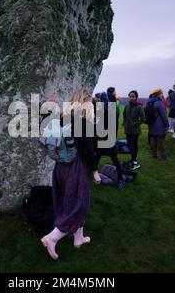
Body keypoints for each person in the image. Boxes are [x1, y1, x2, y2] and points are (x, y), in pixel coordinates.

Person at [41, 89, 101, 261]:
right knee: (78, 205)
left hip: (60, 168)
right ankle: (52, 238)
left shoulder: (62, 119)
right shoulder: (84, 123)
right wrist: (95, 171)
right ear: (86, 105)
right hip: (76, 169)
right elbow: (89, 152)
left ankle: (78, 238)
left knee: (68, 202)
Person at [94, 92, 125, 189]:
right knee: (113, 159)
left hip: (104, 137)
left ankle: (120, 179)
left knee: (99, 158)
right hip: (106, 137)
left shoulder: (102, 109)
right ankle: (120, 179)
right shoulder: (112, 109)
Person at [123, 90, 145, 170]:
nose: (131, 98)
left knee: (134, 145)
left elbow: (143, 119)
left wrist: (135, 123)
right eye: (130, 96)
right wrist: (124, 123)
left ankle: (134, 161)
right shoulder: (127, 106)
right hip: (128, 129)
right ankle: (133, 159)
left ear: (136, 97)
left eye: (133, 96)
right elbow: (124, 115)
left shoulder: (139, 107)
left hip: (135, 130)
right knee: (129, 145)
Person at [147, 88, 169, 160]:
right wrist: (167, 125)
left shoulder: (148, 102)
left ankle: (154, 154)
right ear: (159, 94)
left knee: (153, 139)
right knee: (161, 141)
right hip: (160, 125)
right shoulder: (159, 102)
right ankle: (163, 156)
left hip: (151, 124)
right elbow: (163, 115)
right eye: (161, 94)